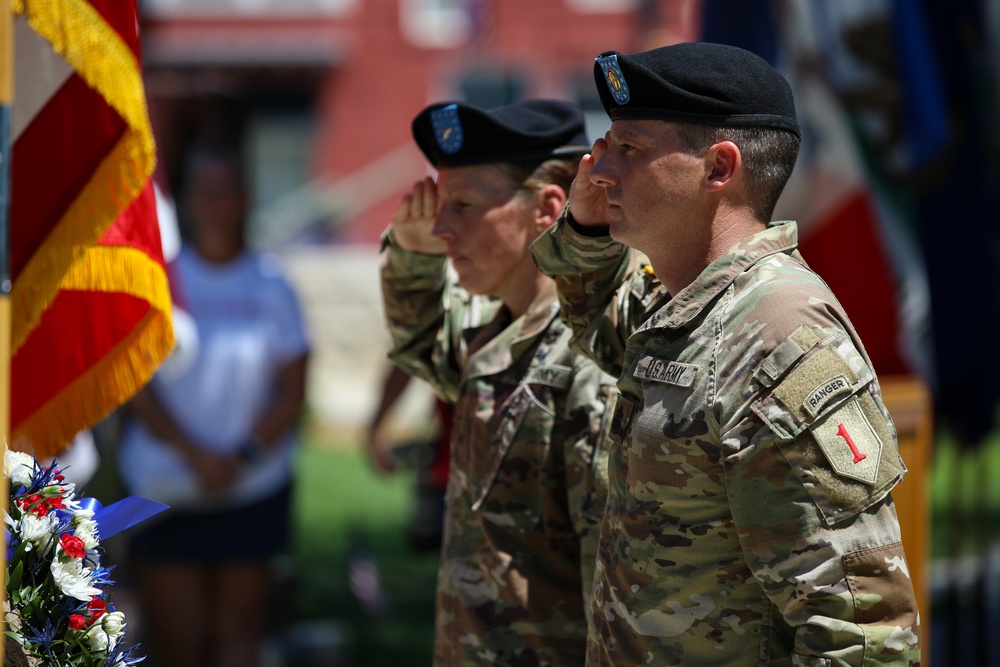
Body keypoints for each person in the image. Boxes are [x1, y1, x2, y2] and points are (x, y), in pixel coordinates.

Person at [530, 42, 921, 665]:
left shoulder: (775, 334)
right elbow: (601, 322)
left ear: (718, 167)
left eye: (629, 149)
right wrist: (583, 232)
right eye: (606, 147)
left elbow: (859, 625)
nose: (600, 171)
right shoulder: (693, 307)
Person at [381, 99, 617, 666]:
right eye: (440, 204)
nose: (440, 229)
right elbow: (424, 350)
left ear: (546, 209)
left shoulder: (590, 359)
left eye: (462, 205)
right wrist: (412, 258)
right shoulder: (499, 333)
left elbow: (613, 589)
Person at [117, 145, 310, 667]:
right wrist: (194, 453)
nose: (214, 204)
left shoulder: (271, 283)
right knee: (179, 638)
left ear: (245, 199)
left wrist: (242, 455)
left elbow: (293, 387)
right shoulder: (157, 280)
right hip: (165, 483)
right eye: (204, 191)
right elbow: (134, 383)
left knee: (238, 635)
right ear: (185, 200)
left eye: (225, 191)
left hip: (253, 484)